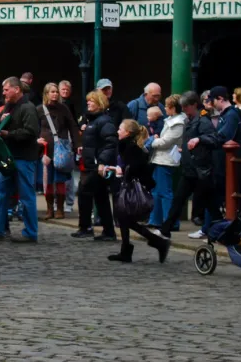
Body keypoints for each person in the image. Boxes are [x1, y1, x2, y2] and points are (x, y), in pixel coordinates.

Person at [103, 119, 171, 263]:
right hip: (128, 184)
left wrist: (123, 171)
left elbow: (136, 166)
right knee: (124, 218)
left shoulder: (130, 147)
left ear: (127, 132)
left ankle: (155, 243)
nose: (117, 131)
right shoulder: (127, 145)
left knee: (125, 217)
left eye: (120, 129)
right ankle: (135, 247)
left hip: (131, 187)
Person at [0, 77, 40, 242]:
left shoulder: (28, 108)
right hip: (9, 157)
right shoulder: (9, 106)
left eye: (6, 90)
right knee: (0, 191)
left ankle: (31, 233)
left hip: (24, 158)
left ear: (16, 89)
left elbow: (31, 132)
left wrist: (9, 134)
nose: (4, 93)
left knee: (26, 195)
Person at [159, 91, 218, 240]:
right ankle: (166, 229)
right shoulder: (190, 120)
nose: (183, 109)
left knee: (209, 203)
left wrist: (198, 139)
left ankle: (221, 230)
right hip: (191, 168)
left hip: (200, 169)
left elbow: (213, 139)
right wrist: (184, 149)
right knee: (180, 199)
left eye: (186, 106)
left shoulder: (202, 121)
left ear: (193, 105)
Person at [71, 89, 118, 240]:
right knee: (100, 197)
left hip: (97, 166)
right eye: (88, 101)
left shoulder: (104, 121)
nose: (88, 103)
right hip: (92, 164)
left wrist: (102, 162)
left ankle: (86, 227)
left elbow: (110, 143)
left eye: (91, 101)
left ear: (99, 103)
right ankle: (107, 231)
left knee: (86, 193)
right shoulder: (92, 121)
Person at [38, 82, 78, 220]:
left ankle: (60, 209)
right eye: (52, 91)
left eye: (56, 91)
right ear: (46, 94)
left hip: (61, 150)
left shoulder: (64, 109)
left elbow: (72, 126)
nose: (55, 94)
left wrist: (76, 145)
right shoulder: (40, 110)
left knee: (60, 181)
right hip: (45, 151)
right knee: (47, 181)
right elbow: (35, 129)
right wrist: (37, 141)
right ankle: (50, 209)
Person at [147, 97, 185, 233]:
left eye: (168, 106)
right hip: (159, 158)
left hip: (166, 159)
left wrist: (151, 141)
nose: (165, 109)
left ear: (173, 108)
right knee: (156, 191)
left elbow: (166, 141)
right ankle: (156, 220)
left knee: (165, 192)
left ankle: (170, 222)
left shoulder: (178, 123)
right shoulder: (170, 120)